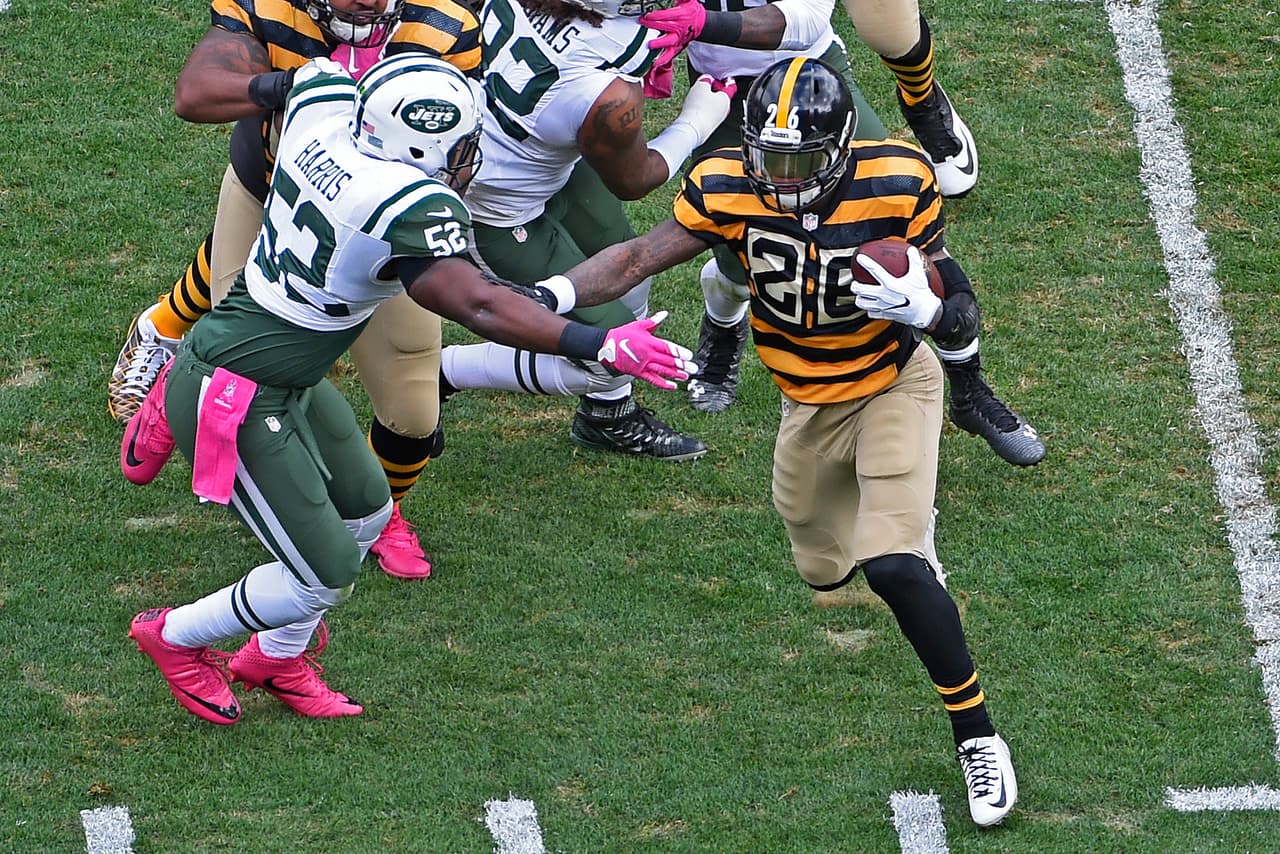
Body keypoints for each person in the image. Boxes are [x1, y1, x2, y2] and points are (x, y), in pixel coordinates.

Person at [125, 55, 696, 725]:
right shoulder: (407, 205)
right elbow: (476, 306)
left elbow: (310, 76)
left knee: (367, 513)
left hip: (283, 374)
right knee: (323, 575)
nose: (472, 158)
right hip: (235, 394)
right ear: (427, 151)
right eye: (464, 148)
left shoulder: (322, 112)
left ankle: (274, 660)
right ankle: (172, 636)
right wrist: (596, 342)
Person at [552, 57, 1019, 826]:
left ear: (839, 147)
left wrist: (929, 311)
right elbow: (638, 256)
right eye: (770, 159)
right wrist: (551, 296)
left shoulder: (898, 178)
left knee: (894, 567)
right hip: (805, 401)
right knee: (821, 567)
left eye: (800, 161)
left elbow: (960, 306)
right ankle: (897, 538)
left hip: (894, 383)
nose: (782, 178)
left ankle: (977, 733)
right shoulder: (730, 182)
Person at [108, 0, 483, 579]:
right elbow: (196, 93)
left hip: (385, 232)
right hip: (278, 199)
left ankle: (379, 513)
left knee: (413, 408)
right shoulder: (270, 7)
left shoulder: (445, 23)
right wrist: (296, 83)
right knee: (240, 358)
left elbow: (457, 143)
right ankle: (173, 377)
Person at [635, 1, 1042, 469]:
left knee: (897, 233)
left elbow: (803, 18)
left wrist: (703, 22)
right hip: (727, 94)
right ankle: (725, 328)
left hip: (814, 80)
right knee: (742, 255)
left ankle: (971, 390)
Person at [435, 0, 734, 461]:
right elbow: (635, 180)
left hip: (548, 152)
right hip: (496, 207)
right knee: (604, 359)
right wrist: (697, 121)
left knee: (629, 263)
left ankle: (607, 413)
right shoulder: (606, 97)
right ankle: (436, 372)